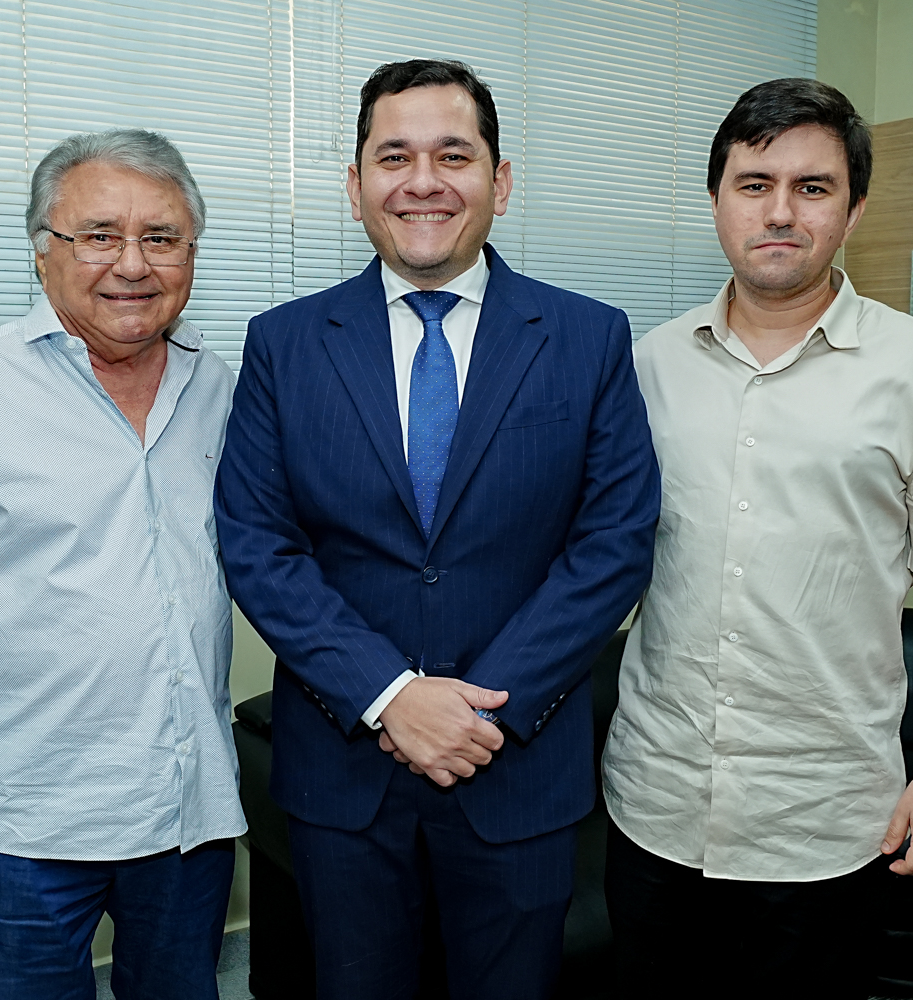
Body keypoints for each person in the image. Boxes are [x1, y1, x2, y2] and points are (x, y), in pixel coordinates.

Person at [216, 59, 659, 1000]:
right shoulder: (284, 344)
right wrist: (389, 695)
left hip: (517, 767)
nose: (423, 182)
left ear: (501, 180)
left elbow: (613, 541)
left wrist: (475, 711)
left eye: (453, 155)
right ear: (356, 186)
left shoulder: (588, 337)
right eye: (395, 157)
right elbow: (258, 544)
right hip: (344, 775)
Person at [601, 78, 913, 996]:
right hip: (656, 804)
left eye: (812, 187)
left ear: (853, 210)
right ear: (716, 201)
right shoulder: (646, 365)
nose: (780, 211)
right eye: (754, 184)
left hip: (823, 823)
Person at [0, 129, 244, 1000]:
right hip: (26, 826)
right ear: (41, 251)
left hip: (189, 808)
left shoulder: (220, 389)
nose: (132, 264)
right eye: (98, 235)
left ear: (192, 253)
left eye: (162, 237)